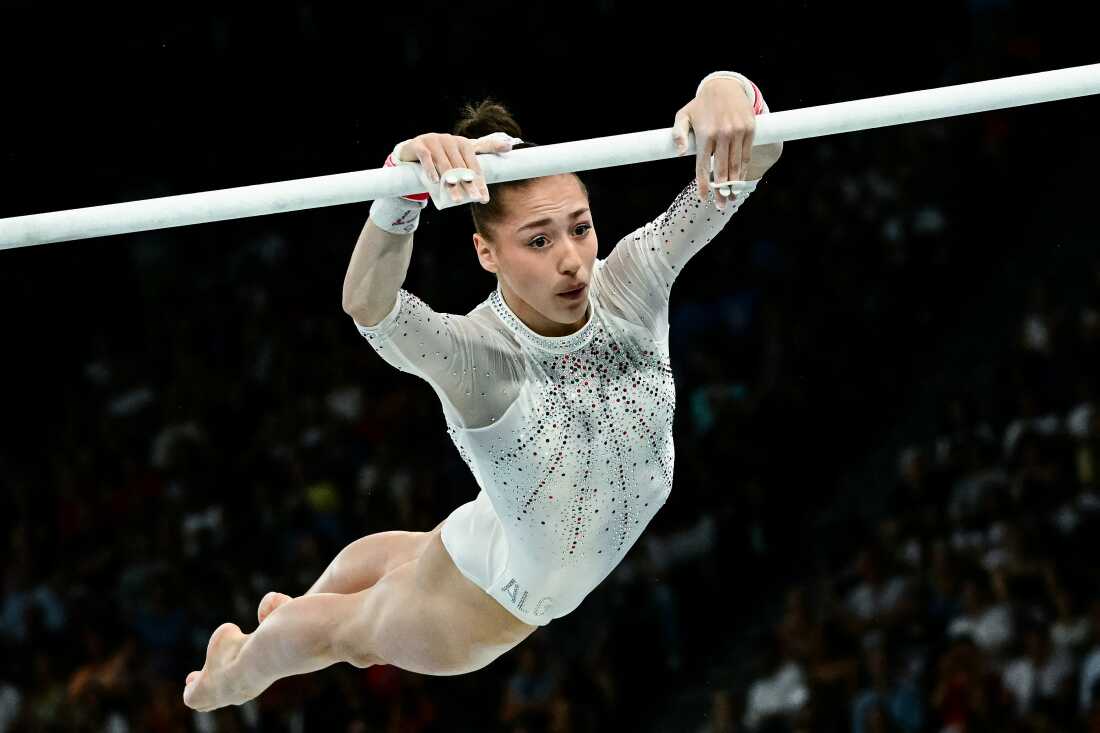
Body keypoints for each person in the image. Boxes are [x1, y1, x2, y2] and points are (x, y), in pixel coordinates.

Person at [183, 70, 783, 712]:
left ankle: (287, 611)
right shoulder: (479, 358)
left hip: (507, 527)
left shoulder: (633, 279)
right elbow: (369, 306)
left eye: (579, 228)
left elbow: (756, 154)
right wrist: (399, 195)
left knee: (404, 560)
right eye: (538, 240)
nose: (573, 261)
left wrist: (729, 89)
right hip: (486, 609)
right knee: (348, 634)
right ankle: (235, 676)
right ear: (485, 252)